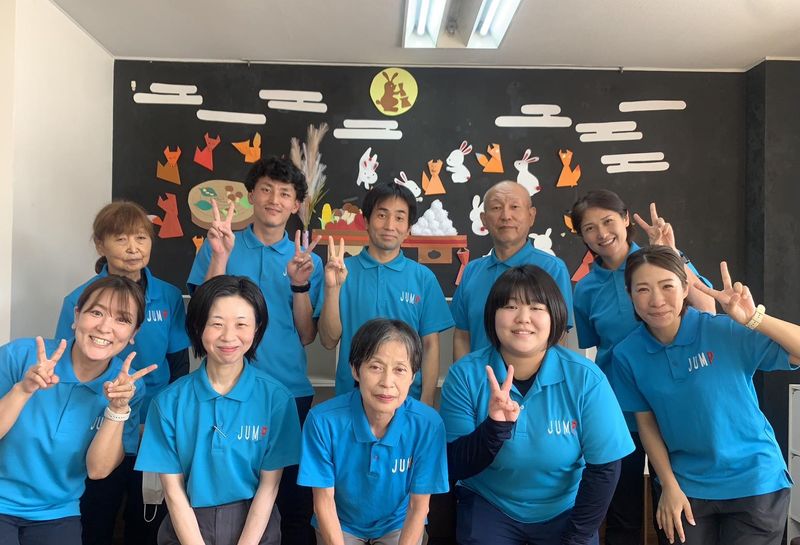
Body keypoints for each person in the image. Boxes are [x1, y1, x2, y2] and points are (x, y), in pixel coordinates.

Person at [611, 246, 799, 545]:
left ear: (686, 288)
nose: (656, 300)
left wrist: (754, 318)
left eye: (667, 286)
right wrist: (669, 486)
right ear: (629, 294)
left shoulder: (724, 331)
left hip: (754, 481)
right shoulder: (627, 354)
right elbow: (646, 424)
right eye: (643, 289)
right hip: (687, 487)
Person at [440, 265, 634, 545]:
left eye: (536, 308)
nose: (523, 318)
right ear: (492, 315)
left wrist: (575, 539)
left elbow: (605, 468)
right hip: (490, 504)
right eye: (510, 306)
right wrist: (493, 429)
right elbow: (454, 465)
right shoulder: (465, 375)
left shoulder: (585, 378)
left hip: (565, 508)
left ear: (555, 316)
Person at [187, 156, 323, 544]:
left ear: (296, 204)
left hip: (288, 390)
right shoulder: (221, 244)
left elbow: (307, 334)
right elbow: (200, 317)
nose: (274, 200)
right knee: (230, 493)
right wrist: (220, 256)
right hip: (226, 388)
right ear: (251, 196)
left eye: (285, 193)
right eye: (266, 189)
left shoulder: (307, 259)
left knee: (293, 500)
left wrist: (299, 285)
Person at [569, 190, 715, 545]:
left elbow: (708, 309)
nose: (602, 233)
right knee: (623, 510)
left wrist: (671, 252)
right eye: (589, 228)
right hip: (619, 409)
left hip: (673, 401)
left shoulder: (660, 260)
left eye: (608, 221)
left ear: (625, 219)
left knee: (678, 505)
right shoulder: (585, 289)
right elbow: (595, 347)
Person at [54, 200, 190, 545]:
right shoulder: (78, 300)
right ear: (101, 245)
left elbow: (178, 365)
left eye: (141, 238)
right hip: (97, 425)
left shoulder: (169, 296)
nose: (133, 248)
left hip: (154, 425)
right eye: (121, 238)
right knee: (96, 515)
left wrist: (164, 420)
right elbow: (65, 368)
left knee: (147, 518)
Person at [136, 275, 302, 545]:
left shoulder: (277, 400)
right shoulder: (168, 402)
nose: (228, 336)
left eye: (241, 324)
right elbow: (173, 491)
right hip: (187, 524)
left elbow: (269, 486)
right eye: (216, 324)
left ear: (257, 328)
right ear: (198, 326)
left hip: (254, 525)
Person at [0, 275, 155, 545]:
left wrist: (117, 409)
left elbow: (98, 470)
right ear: (76, 316)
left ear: (134, 334)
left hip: (57, 512)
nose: (105, 327)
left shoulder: (127, 388)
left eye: (122, 319)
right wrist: (23, 389)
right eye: (96, 312)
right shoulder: (19, 356)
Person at [299, 318, 448, 545]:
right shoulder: (322, 421)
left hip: (398, 523)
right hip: (342, 522)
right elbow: (324, 502)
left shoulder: (428, 425)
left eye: (400, 369)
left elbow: (418, 506)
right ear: (355, 370)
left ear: (413, 376)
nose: (387, 382)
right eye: (376, 367)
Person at [318, 182, 453, 405]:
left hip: (407, 400)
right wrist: (332, 289)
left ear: (408, 229)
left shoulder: (423, 278)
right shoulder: (341, 271)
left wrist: (427, 399)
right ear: (366, 221)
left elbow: (430, 345)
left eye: (399, 218)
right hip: (351, 399)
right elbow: (328, 340)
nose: (390, 225)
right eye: (382, 215)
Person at [451, 181, 573, 362]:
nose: (506, 216)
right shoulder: (471, 271)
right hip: (479, 378)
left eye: (514, 207)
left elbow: (558, 337)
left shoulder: (552, 269)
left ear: (531, 216)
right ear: (483, 219)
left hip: (533, 380)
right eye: (496, 208)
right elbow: (462, 335)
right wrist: (463, 377)